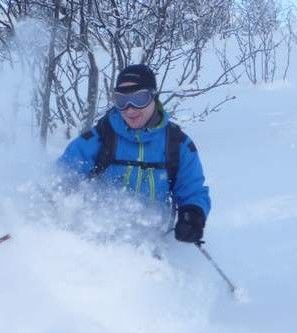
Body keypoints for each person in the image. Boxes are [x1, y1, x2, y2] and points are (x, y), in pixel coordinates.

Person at [57, 64, 211, 243]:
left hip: (154, 241)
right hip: (97, 238)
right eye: (121, 100)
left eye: (139, 98)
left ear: (153, 96)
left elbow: (192, 189)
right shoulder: (100, 137)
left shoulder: (177, 143)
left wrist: (192, 215)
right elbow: (62, 175)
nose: (130, 109)